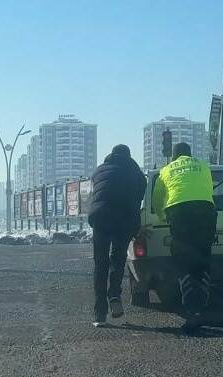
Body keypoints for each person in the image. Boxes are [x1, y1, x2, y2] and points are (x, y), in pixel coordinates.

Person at [152, 142, 216, 333]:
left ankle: (192, 310)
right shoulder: (203, 165)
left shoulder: (166, 170)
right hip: (205, 211)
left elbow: (157, 199)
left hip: (179, 213)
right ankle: (202, 303)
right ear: (190, 154)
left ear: (174, 156)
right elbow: (208, 189)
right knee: (202, 259)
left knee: (184, 261)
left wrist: (163, 217)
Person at [87, 144, 147, 326]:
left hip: (100, 217)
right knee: (118, 258)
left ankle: (99, 314)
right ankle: (114, 294)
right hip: (123, 218)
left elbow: (95, 193)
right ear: (128, 156)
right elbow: (139, 197)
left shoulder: (99, 170)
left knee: (100, 263)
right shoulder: (135, 171)